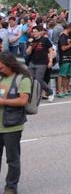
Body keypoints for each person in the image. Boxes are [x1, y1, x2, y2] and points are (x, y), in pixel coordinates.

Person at [0, 52, 33, 194]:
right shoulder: (1, 77)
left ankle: (11, 187)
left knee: (12, 159)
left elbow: (23, 101)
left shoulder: (23, 78)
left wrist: (3, 101)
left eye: (1, 67)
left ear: (9, 65)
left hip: (12, 125)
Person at [25, 25, 54, 102]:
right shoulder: (30, 40)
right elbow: (28, 53)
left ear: (40, 32)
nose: (34, 33)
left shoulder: (45, 40)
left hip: (42, 63)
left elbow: (51, 51)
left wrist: (50, 61)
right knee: (29, 79)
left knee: (38, 79)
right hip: (32, 62)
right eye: (33, 32)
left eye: (36, 32)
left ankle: (50, 92)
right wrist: (30, 45)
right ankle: (31, 96)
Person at [57, 24, 71, 97]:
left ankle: (66, 89)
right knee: (62, 75)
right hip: (64, 58)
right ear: (69, 28)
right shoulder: (62, 37)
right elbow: (63, 48)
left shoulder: (69, 36)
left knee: (68, 75)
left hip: (70, 57)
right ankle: (61, 90)